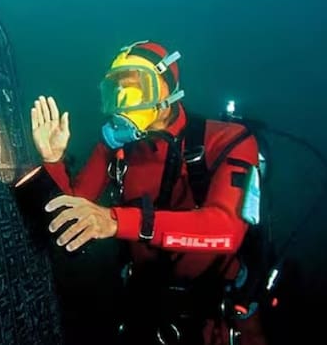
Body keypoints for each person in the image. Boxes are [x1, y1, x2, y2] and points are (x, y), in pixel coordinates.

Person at [28, 40, 268, 345]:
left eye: (138, 84)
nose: (125, 96)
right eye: (116, 88)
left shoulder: (228, 139)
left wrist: (116, 221)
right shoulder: (114, 147)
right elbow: (73, 212)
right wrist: (53, 160)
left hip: (218, 304)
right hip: (145, 300)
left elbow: (225, 231)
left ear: (168, 89)